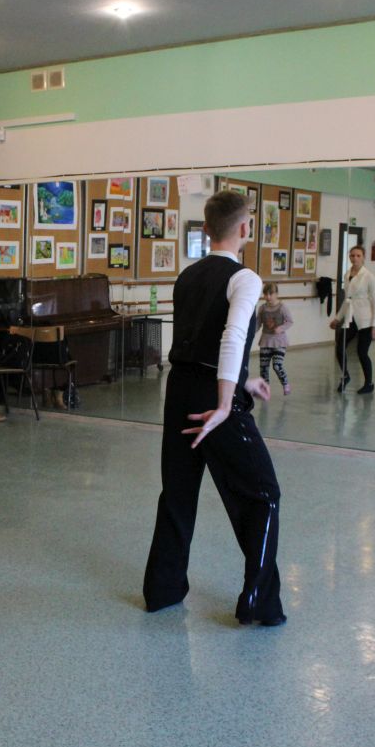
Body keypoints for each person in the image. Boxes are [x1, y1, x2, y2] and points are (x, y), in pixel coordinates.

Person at [142, 189, 285, 628]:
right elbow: (231, 336)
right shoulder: (245, 278)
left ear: (206, 229)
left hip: (180, 390)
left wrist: (243, 380)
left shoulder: (187, 276)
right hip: (212, 398)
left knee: (178, 492)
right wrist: (226, 402)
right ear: (246, 228)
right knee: (264, 494)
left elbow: (198, 343)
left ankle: (162, 591)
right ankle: (258, 603)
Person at [329, 244, 375, 394]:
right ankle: (345, 375)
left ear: (363, 257)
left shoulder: (369, 277)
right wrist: (337, 318)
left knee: (362, 352)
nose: (355, 258)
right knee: (340, 347)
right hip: (350, 318)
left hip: (365, 320)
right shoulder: (347, 274)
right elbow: (347, 300)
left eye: (358, 255)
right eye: (352, 255)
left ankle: (369, 383)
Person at [257, 281, 293, 395]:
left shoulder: (282, 307)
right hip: (266, 341)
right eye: (265, 294)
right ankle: (265, 389)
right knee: (264, 367)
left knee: (277, 365)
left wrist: (281, 328)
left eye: (270, 294)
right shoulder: (262, 308)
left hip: (279, 341)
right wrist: (249, 334)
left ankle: (285, 383)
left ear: (276, 294)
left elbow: (290, 321)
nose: (268, 297)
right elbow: (257, 324)